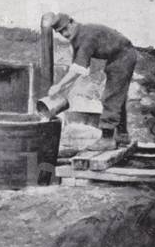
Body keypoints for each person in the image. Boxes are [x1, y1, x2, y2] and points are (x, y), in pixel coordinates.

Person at [47, 12, 139, 151]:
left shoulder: (86, 36)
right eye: (60, 32)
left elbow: (78, 69)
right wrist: (64, 88)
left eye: (66, 29)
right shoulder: (78, 37)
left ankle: (107, 139)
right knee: (117, 96)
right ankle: (122, 135)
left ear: (72, 22)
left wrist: (58, 85)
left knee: (111, 96)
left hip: (123, 56)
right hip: (118, 56)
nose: (64, 34)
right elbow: (77, 68)